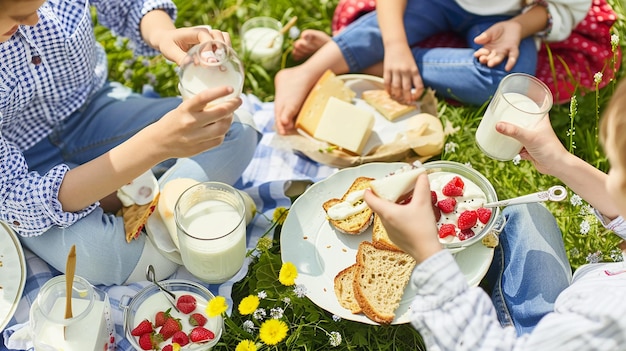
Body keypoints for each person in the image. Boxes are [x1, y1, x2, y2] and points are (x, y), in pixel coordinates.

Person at [0, 0, 260, 286]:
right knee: (105, 256)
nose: (35, 20)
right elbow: (14, 195)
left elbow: (130, 4)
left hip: (94, 111)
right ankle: (167, 204)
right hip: (28, 169)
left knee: (236, 127)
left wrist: (163, 34)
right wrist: (156, 145)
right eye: (16, 16)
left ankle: (158, 205)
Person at [362, 77, 626, 349]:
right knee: (527, 210)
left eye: (615, 167)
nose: (610, 175)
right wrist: (561, 161)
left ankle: (483, 299)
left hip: (529, 340)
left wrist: (428, 252)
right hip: (572, 311)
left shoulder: (613, 321)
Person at [274, 0, 591, 135]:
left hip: (509, 14)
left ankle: (361, 61)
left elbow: (566, 6)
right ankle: (304, 72)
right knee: (381, 29)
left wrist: (518, 27)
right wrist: (396, 45)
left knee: (503, 80)